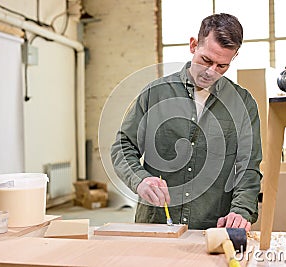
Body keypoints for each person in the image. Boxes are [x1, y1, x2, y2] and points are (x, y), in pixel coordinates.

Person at [111, 13, 262, 231]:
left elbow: (248, 166)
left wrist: (241, 211)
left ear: (234, 57)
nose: (211, 72)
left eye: (222, 66)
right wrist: (140, 180)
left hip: (211, 227)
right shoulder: (155, 94)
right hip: (156, 224)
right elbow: (123, 146)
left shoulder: (243, 103)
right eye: (206, 60)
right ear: (193, 45)